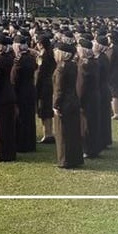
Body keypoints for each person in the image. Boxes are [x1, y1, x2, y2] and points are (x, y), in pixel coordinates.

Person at [52, 41, 83, 169]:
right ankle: (75, 158)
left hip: (64, 102)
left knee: (62, 132)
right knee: (73, 132)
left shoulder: (61, 68)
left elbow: (59, 89)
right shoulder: (73, 65)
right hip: (73, 100)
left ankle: (64, 160)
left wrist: (56, 104)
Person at [0, 34, 17, 162]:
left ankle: (1, 154)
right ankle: (10, 152)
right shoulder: (10, 57)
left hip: (1, 97)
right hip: (10, 94)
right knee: (8, 127)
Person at [11, 33, 37, 153]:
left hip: (20, 92)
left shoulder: (19, 60)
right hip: (30, 90)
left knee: (20, 118)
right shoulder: (31, 58)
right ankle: (30, 143)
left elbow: (14, 79)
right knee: (29, 118)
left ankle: (21, 144)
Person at [34, 35, 57, 144]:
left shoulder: (43, 56)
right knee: (47, 109)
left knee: (44, 110)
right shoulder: (51, 53)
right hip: (50, 84)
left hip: (44, 85)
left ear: (41, 44)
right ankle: (49, 133)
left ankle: (47, 134)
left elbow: (40, 72)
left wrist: (36, 88)